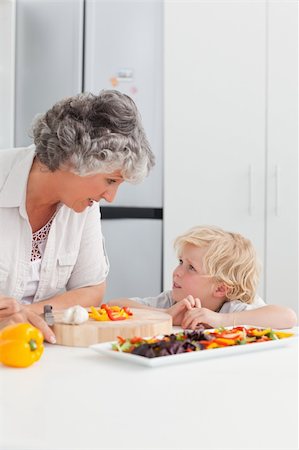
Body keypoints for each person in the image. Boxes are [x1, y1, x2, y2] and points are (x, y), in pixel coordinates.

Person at [0, 90, 154, 342]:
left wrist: (27, 314)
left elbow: (91, 288)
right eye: (110, 180)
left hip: (31, 347)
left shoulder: (84, 207)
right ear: (73, 159)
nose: (111, 196)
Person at [109, 225, 297, 329]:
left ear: (221, 289)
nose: (177, 272)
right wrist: (164, 316)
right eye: (180, 261)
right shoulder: (172, 302)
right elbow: (113, 306)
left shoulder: (232, 308)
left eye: (191, 268)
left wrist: (221, 321)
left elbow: (287, 317)